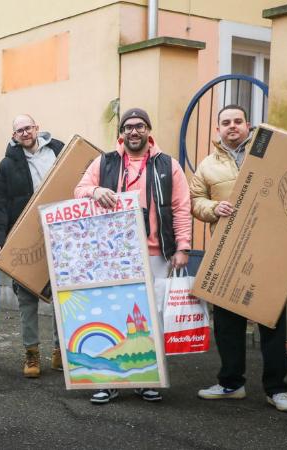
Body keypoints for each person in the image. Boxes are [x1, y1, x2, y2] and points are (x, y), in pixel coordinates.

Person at [190, 104, 287, 413]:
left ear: (247, 125)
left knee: (272, 323)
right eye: (226, 122)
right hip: (229, 254)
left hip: (270, 253)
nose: (232, 126)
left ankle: (276, 389)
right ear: (218, 129)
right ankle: (231, 384)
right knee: (227, 324)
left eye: (238, 121)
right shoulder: (208, 165)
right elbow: (195, 201)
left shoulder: (271, 154)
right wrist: (214, 209)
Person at [75, 107, 192, 404]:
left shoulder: (169, 165)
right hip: (114, 255)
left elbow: (181, 207)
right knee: (114, 317)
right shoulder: (105, 161)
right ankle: (108, 382)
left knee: (152, 320)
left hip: (157, 253)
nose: (134, 131)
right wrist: (95, 191)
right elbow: (79, 189)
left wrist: (182, 248)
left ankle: (148, 380)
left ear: (149, 131)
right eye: (128, 127)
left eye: (140, 126)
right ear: (121, 133)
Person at [0, 114, 65, 378]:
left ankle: (60, 351)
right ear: (14, 136)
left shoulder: (59, 150)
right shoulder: (7, 165)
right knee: (26, 299)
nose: (25, 133)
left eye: (28, 127)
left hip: (60, 234)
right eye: (19, 130)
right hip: (24, 238)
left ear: (37, 128)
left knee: (61, 295)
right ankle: (31, 354)